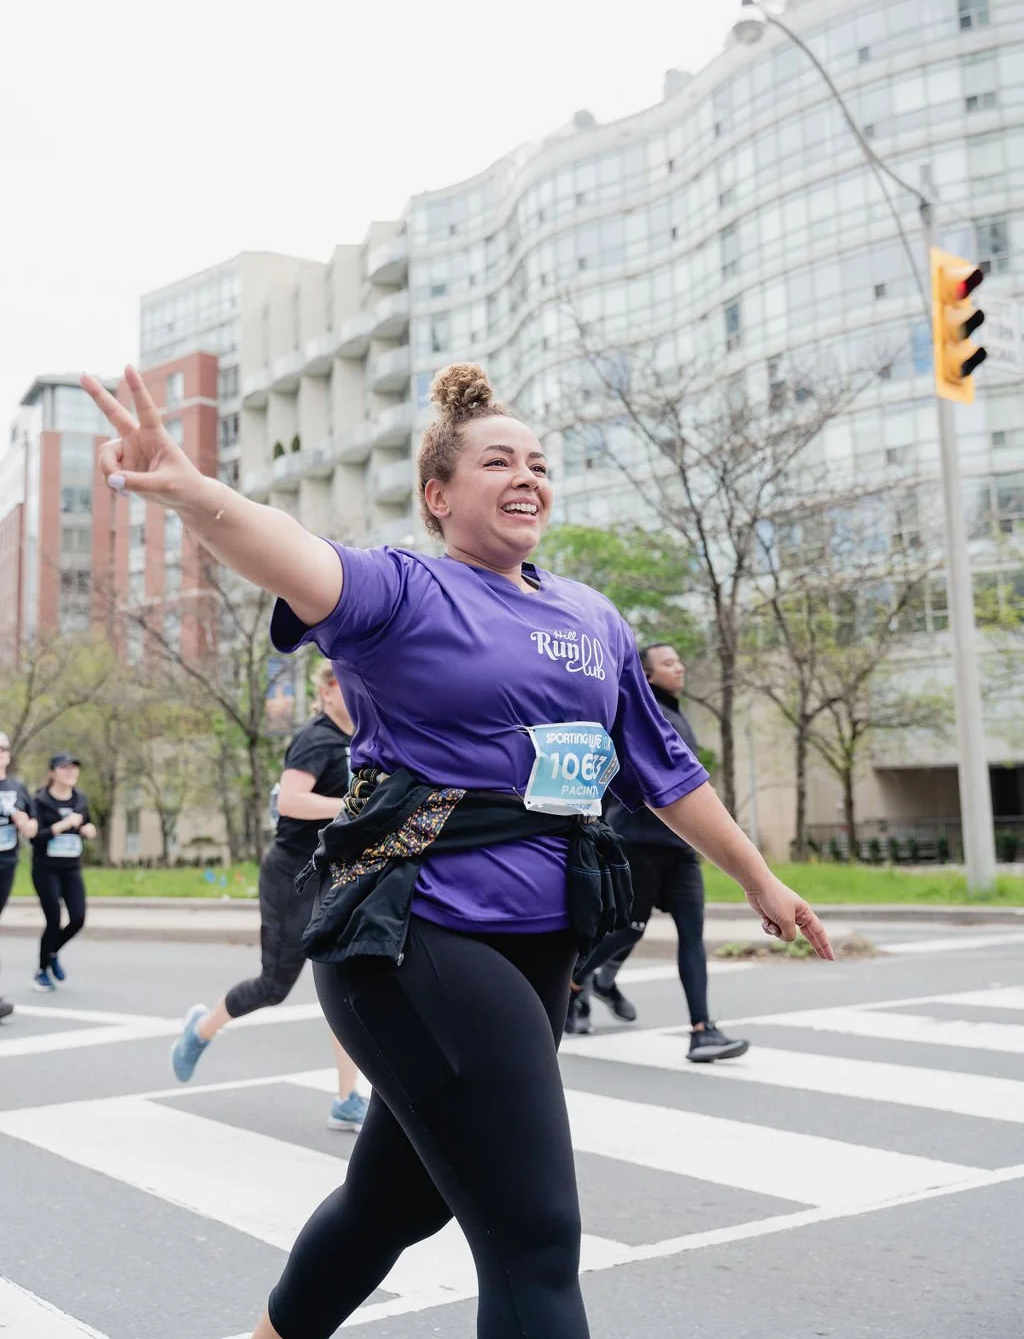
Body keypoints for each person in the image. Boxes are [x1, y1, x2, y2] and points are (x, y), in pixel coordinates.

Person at [82, 360, 833, 1339]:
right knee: (534, 1237)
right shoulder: (405, 591)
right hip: (413, 940)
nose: (527, 477)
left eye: (539, 463)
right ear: (438, 494)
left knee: (396, 1203)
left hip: (540, 946)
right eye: (496, 462)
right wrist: (193, 493)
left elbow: (667, 774)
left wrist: (762, 882)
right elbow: (288, 553)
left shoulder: (594, 619)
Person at [171, 660, 370, 1132]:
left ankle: (347, 1098)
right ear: (326, 690)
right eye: (348, 682)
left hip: (335, 877)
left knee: (347, 984)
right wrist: (350, 808)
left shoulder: (365, 736)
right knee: (274, 986)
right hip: (291, 876)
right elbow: (292, 801)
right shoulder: (315, 738)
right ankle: (202, 1028)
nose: (358, 690)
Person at [570, 643, 750, 1062]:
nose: (680, 666)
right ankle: (571, 985)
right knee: (628, 929)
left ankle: (702, 1031)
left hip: (680, 850)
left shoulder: (678, 715)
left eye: (679, 659)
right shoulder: (642, 715)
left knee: (692, 936)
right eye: (669, 663)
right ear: (647, 675)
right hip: (639, 843)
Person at [30, 752, 97, 991]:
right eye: (64, 768)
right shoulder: (40, 801)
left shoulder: (80, 799)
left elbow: (86, 824)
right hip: (46, 868)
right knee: (54, 919)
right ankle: (41, 970)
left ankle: (53, 951)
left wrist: (88, 830)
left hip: (71, 868)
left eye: (74, 768)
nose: (70, 772)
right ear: (52, 773)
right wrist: (61, 826)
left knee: (78, 918)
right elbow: (35, 838)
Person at [0, 730, 38, 1019]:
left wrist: (24, 823)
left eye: (2, 748)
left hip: (6, 862)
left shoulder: (17, 788)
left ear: (8, 755)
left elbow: (32, 829)